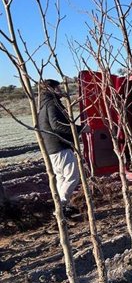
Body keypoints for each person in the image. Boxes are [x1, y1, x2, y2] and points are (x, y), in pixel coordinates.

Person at [37, 79, 85, 219]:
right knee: (72, 177)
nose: (60, 90)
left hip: (52, 148)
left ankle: (62, 208)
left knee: (61, 178)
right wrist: (80, 129)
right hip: (60, 146)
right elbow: (57, 125)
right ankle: (60, 208)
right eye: (58, 88)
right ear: (51, 89)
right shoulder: (52, 104)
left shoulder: (43, 106)